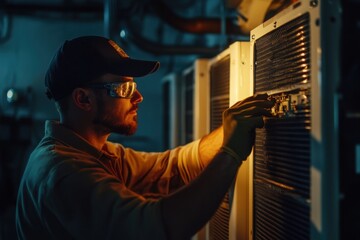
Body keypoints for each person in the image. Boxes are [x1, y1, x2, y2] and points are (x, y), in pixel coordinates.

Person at [15, 36, 274, 240]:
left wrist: (228, 133)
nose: (138, 98)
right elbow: (156, 230)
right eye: (124, 88)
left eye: (134, 87)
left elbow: (172, 168)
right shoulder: (62, 173)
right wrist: (230, 154)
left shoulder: (100, 153)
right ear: (83, 99)